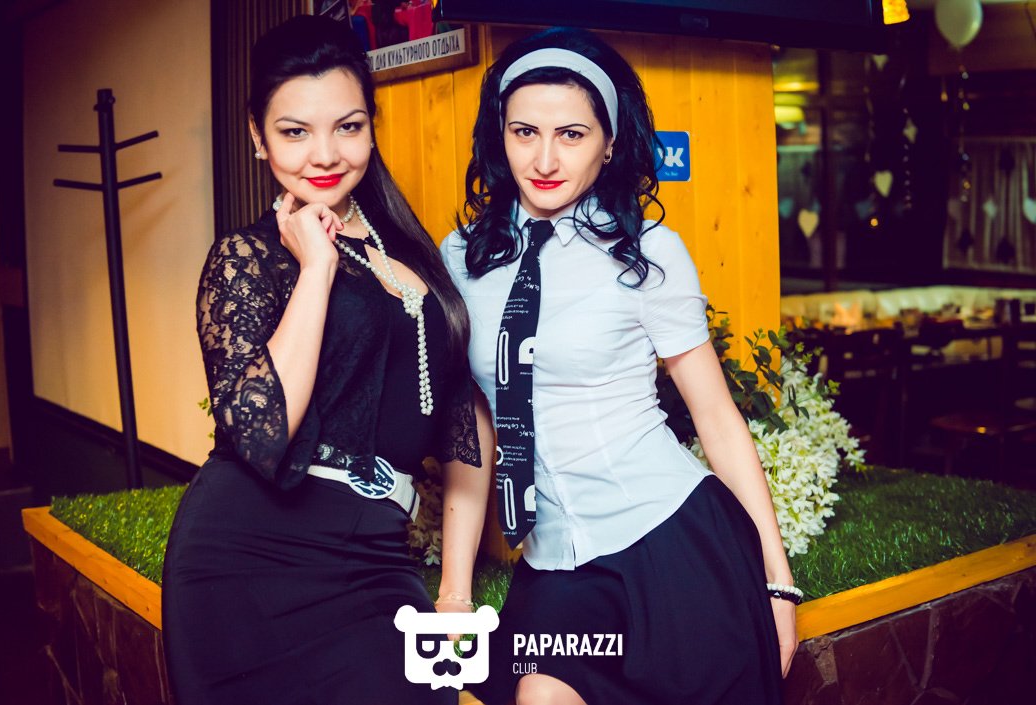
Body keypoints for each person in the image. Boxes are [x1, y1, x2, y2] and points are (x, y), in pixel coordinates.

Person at [441, 27, 798, 705]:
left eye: (572, 135)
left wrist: (777, 583)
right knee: (538, 695)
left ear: (608, 144)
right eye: (524, 132)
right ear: (499, 136)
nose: (545, 159)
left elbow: (716, 419)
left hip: (670, 540)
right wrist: (454, 591)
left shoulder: (650, 253)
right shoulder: (462, 258)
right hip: (556, 565)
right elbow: (474, 426)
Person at [162, 15, 492, 705]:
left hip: (377, 557)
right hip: (247, 560)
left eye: (348, 126)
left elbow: (464, 422)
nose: (325, 153)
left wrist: (455, 592)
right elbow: (262, 436)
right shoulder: (247, 259)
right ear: (258, 137)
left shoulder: (412, 255)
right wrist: (316, 267)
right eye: (294, 131)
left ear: (372, 126)